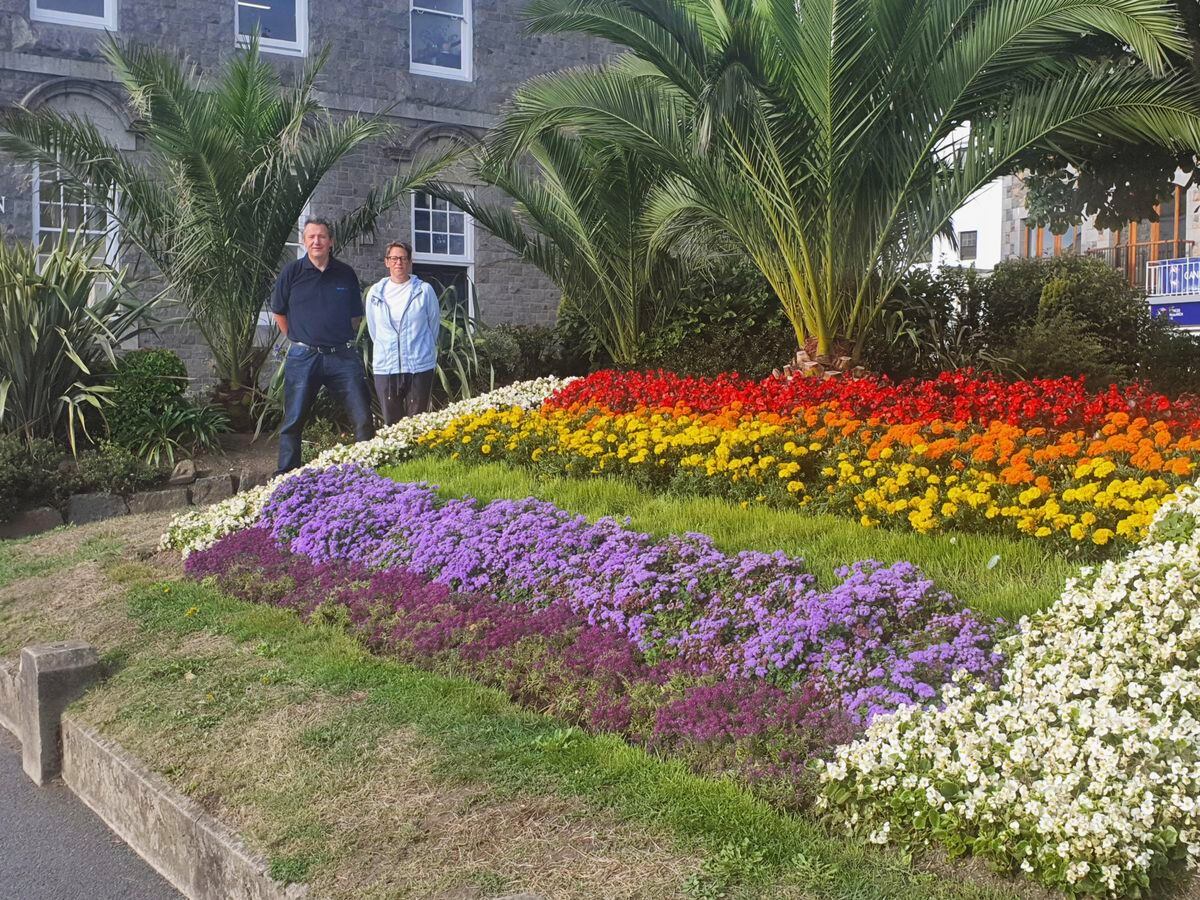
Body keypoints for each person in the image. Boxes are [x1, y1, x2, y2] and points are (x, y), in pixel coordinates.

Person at [270, 217, 374, 474]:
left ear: (331, 242)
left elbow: (354, 317)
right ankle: (287, 477)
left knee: (362, 417)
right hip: (303, 357)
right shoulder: (291, 272)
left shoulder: (345, 273)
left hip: (342, 356)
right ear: (304, 242)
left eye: (322, 237)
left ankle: (369, 472)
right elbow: (278, 312)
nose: (316, 241)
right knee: (293, 420)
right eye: (311, 237)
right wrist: (298, 338)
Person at [364, 241, 441, 425]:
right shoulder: (375, 293)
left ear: (410, 262)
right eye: (394, 258)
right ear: (387, 262)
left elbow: (433, 327)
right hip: (386, 367)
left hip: (419, 367)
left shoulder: (424, 291)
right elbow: (374, 331)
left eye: (403, 258)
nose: (399, 262)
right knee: (392, 426)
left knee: (418, 423)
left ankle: (418, 455)